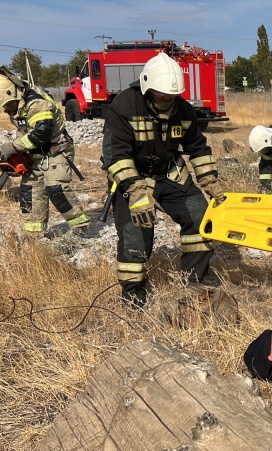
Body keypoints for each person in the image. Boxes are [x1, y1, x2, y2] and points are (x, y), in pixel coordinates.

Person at [102, 53, 223, 307]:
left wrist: (211, 183)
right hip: (132, 177)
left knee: (199, 214)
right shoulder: (124, 107)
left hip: (169, 172)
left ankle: (195, 279)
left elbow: (198, 148)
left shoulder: (184, 110)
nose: (168, 101)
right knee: (136, 229)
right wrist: (135, 191)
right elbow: (115, 155)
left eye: (172, 96)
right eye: (162, 96)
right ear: (148, 88)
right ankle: (134, 292)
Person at [0, 67, 90, 233]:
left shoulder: (37, 103)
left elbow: (41, 134)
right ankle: (35, 234)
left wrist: (13, 147)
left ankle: (80, 228)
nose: (6, 110)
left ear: (11, 94)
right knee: (30, 191)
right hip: (35, 152)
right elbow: (25, 130)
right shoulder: (17, 103)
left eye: (6, 105)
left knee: (56, 188)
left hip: (55, 150)